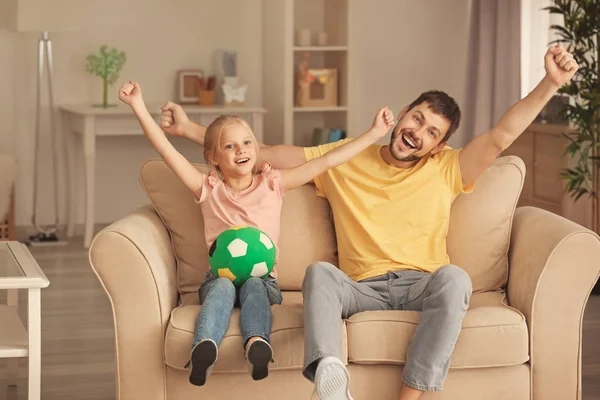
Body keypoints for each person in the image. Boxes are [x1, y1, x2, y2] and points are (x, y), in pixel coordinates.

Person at [158, 45, 578, 400]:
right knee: (319, 274)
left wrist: (551, 84)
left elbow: (502, 136)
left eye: (432, 132)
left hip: (422, 282)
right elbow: (264, 153)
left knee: (456, 280)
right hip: (360, 288)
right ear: (402, 114)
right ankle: (328, 377)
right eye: (417, 118)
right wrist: (189, 130)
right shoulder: (346, 157)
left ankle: (409, 397)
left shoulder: (450, 168)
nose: (418, 132)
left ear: (438, 146)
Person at [118, 80, 395, 388]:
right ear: (213, 158)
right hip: (218, 278)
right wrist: (138, 106)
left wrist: (373, 134)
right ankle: (204, 347)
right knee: (222, 285)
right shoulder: (208, 189)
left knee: (253, 285)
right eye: (230, 146)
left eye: (247, 143)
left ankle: (256, 344)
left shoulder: (273, 184)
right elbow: (165, 150)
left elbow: (327, 161)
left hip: (264, 279)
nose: (242, 150)